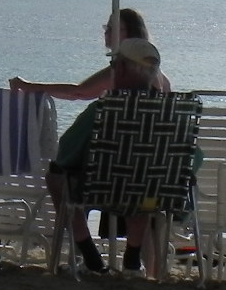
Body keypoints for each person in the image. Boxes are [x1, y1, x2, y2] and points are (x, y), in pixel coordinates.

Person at [45, 37, 170, 276]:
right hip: (153, 196)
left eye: (113, 64)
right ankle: (132, 261)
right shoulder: (171, 113)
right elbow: (193, 157)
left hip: (100, 190)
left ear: (120, 69)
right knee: (145, 184)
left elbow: (67, 150)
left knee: (56, 176)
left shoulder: (103, 110)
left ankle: (91, 257)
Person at [8, 7, 171, 99]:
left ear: (131, 33)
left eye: (112, 28)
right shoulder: (162, 78)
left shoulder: (124, 72)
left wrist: (27, 86)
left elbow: (79, 92)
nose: (106, 32)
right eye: (106, 28)